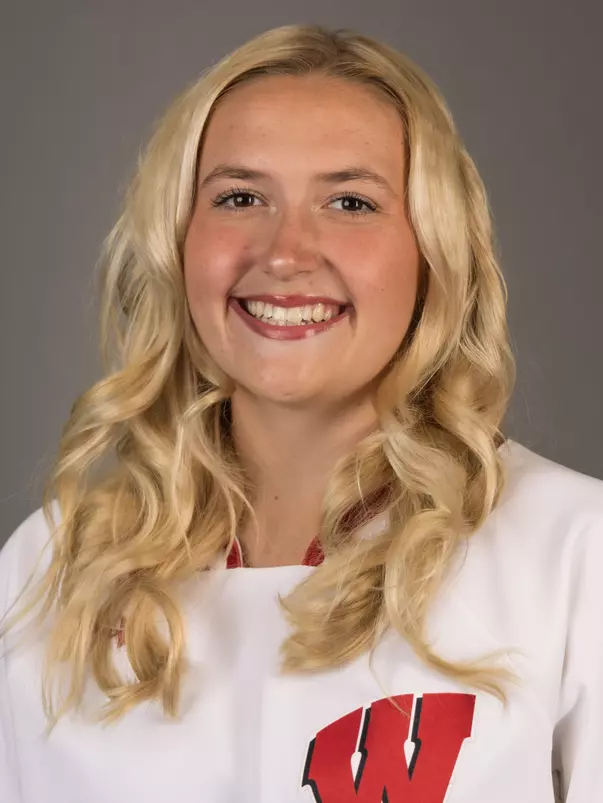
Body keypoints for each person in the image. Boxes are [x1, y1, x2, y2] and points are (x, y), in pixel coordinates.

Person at [0, 22, 601, 803]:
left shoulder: (572, 554)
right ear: (178, 241)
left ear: (433, 251)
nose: (284, 253)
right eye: (239, 197)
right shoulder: (49, 568)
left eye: (350, 202)